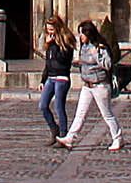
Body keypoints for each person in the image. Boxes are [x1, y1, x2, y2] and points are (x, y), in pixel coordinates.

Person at [57, 16, 122, 151]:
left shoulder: (99, 47)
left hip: (100, 85)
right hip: (87, 85)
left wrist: (97, 54)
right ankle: (70, 138)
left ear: (89, 33)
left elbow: (108, 64)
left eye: (82, 33)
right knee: (80, 113)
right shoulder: (84, 47)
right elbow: (84, 62)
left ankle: (117, 138)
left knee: (107, 114)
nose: (80, 36)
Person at [35, 15, 74, 147]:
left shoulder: (66, 41)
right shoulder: (50, 43)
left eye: (51, 29)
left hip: (62, 78)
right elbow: (48, 63)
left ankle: (63, 135)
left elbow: (63, 60)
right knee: (43, 106)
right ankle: (54, 129)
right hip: (51, 78)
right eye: (48, 30)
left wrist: (54, 45)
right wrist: (42, 80)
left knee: (59, 107)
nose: (50, 33)